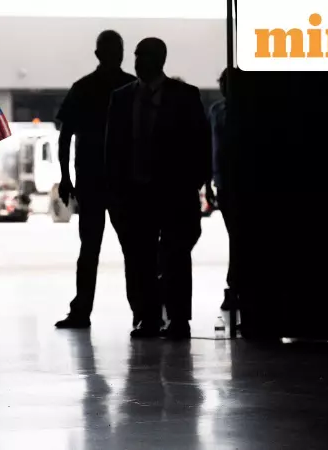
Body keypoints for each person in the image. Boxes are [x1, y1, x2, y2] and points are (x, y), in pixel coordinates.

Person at [104, 38, 210, 340]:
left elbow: (201, 143)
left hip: (174, 192)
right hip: (135, 192)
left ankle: (178, 318)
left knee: (176, 256)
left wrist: (193, 183)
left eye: (144, 56)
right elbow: (113, 148)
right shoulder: (121, 97)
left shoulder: (185, 96)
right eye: (137, 56)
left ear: (160, 59)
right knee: (140, 258)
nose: (138, 61)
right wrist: (115, 191)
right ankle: (147, 318)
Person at [54, 31, 137, 329]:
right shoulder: (132, 87)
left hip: (91, 179)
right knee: (132, 249)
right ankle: (141, 311)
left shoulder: (83, 87)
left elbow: (65, 136)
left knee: (89, 249)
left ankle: (81, 310)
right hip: (123, 181)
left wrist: (65, 176)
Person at [208, 68, 237, 311]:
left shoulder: (218, 111)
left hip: (227, 181)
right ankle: (235, 286)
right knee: (236, 236)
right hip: (225, 181)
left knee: (236, 237)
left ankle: (234, 285)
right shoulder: (217, 111)